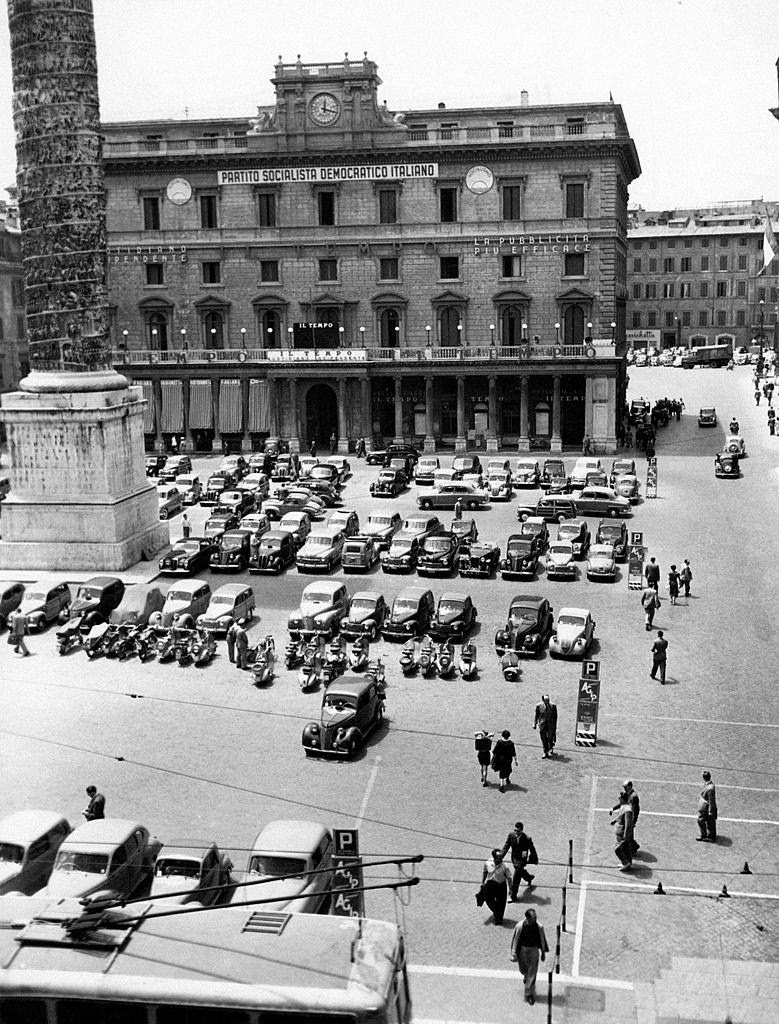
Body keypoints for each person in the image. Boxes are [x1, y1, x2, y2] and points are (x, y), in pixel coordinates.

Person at [510, 908, 549, 1005]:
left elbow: (542, 940)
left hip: (534, 951)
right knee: (523, 970)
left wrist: (543, 953)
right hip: (523, 950)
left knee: (532, 972)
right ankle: (526, 976)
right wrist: (513, 953)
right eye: (533, 918)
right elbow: (515, 940)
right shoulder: (520, 926)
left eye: (536, 917)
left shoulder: (539, 927)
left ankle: (529, 994)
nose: (535, 919)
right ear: (527, 918)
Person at [500, 822, 537, 900]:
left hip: (522, 860)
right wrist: (500, 857)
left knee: (516, 876)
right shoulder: (511, 835)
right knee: (520, 872)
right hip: (514, 858)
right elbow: (506, 846)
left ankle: (513, 896)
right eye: (515, 830)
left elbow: (532, 850)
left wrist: (533, 859)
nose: (516, 832)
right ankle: (529, 877)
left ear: (522, 830)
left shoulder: (527, 839)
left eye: (518, 831)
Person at [480, 849, 511, 925]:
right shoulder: (488, 863)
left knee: (501, 903)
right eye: (499, 857)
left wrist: (511, 889)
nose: (501, 859)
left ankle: (499, 919)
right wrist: (482, 882)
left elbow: (509, 878)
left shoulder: (505, 866)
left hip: (501, 886)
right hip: (490, 885)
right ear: (494, 857)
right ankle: (497, 912)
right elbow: (485, 872)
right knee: (488, 900)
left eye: (501, 857)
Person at [612, 781, 640, 855]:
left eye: (625, 787)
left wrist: (633, 822)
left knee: (628, 836)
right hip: (627, 817)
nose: (624, 789)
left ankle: (633, 850)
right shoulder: (628, 793)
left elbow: (635, 810)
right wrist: (614, 808)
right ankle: (634, 847)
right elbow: (623, 802)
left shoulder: (633, 797)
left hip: (630, 818)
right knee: (629, 835)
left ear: (630, 786)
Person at [610, 790, 635, 871]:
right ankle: (628, 863)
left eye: (620, 797)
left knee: (617, 849)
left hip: (623, 834)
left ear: (623, 799)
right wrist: (615, 820)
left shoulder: (628, 810)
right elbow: (621, 817)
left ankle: (625, 863)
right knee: (626, 848)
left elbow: (628, 825)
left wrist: (625, 836)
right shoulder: (623, 806)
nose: (619, 798)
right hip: (620, 833)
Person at [533, 694, 558, 759]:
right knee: (544, 740)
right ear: (543, 700)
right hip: (542, 725)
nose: (548, 701)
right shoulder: (539, 706)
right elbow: (537, 715)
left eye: (548, 700)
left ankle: (551, 746)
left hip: (550, 725)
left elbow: (555, 717)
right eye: (546, 700)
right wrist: (535, 723)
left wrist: (555, 726)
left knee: (550, 739)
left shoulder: (553, 706)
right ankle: (545, 752)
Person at [697, 770, 718, 843]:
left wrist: (710, 811)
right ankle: (709, 835)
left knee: (702, 820)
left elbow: (711, 800)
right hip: (705, 806)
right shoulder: (708, 785)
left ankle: (707, 836)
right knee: (709, 822)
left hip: (706, 807)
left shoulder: (710, 788)